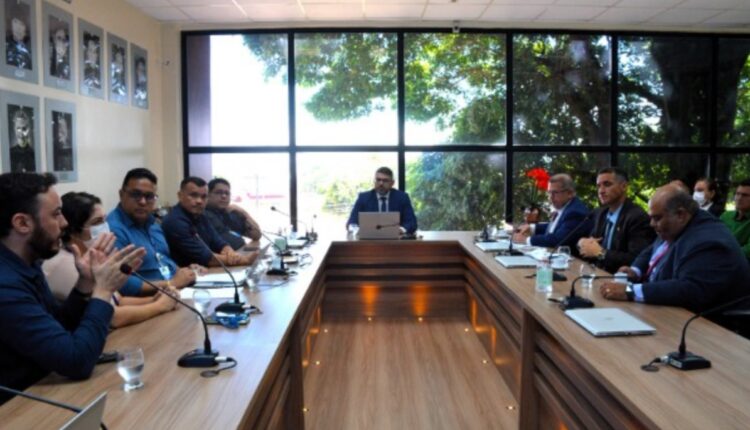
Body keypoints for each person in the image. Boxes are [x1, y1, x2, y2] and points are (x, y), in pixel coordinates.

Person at [0, 172, 145, 404]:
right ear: (22, 223)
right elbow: (77, 362)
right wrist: (103, 291)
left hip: (45, 391)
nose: (64, 223)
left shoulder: (27, 263)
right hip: (17, 409)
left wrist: (85, 284)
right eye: (56, 214)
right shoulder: (6, 286)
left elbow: (59, 326)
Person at [600, 185, 750, 327]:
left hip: (710, 327)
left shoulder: (708, 241)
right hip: (669, 313)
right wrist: (635, 270)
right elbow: (654, 248)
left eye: (656, 218)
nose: (651, 224)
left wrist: (630, 291)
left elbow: (690, 289)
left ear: (680, 214)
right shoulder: (678, 224)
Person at [44, 192, 178, 328]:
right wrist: (159, 306)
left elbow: (118, 300)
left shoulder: (92, 256)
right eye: (97, 222)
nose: (105, 227)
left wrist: (154, 299)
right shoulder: (65, 264)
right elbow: (111, 317)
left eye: (104, 220)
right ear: (73, 232)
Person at [107, 168, 199, 297]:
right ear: (121, 194)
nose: (143, 202)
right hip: (147, 301)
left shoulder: (153, 224)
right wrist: (171, 283)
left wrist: (185, 272)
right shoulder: (113, 230)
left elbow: (163, 259)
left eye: (149, 196)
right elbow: (121, 283)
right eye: (136, 194)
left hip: (175, 291)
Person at [162, 177, 258, 267]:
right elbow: (206, 258)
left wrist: (229, 250)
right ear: (180, 196)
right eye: (193, 195)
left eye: (204, 197)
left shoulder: (200, 215)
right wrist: (243, 260)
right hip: (187, 274)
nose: (199, 201)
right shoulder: (175, 222)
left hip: (205, 270)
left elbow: (217, 241)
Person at [577, 167, 654, 273]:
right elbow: (590, 246)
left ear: (624, 186)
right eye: (598, 186)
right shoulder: (600, 213)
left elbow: (637, 259)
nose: (601, 191)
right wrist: (581, 242)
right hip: (597, 273)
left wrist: (601, 253)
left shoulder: (637, 217)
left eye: (607, 184)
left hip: (620, 278)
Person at [513, 173, 592, 248]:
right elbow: (556, 228)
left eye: (555, 193)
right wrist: (532, 228)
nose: (550, 197)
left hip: (568, 256)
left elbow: (557, 240)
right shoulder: (565, 207)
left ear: (569, 193)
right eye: (549, 192)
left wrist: (526, 240)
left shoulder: (575, 212)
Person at [346, 167, 418, 235]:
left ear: (392, 183)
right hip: (369, 241)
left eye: (385, 181)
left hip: (395, 240)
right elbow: (351, 223)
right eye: (378, 180)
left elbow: (412, 223)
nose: (381, 183)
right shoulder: (363, 198)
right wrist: (358, 231)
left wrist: (401, 230)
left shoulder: (402, 197)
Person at [205, 178, 261, 250]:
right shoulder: (203, 215)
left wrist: (243, 212)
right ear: (208, 195)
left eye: (227, 193)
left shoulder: (231, 213)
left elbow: (256, 235)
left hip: (239, 253)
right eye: (219, 192)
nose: (224, 196)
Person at [720, 179, 750, 260]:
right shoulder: (726, 216)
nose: (739, 198)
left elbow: (747, 251)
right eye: (737, 194)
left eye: (745, 195)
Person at [5, 3, 32, 70]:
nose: (18, 27)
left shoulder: (29, 51)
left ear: (25, 28)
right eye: (15, 22)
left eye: (22, 24)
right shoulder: (5, 46)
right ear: (10, 24)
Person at [9, 108, 35, 173]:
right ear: (14, 130)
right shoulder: (10, 153)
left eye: (24, 128)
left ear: (28, 129)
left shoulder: (33, 154)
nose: (21, 132)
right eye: (18, 128)